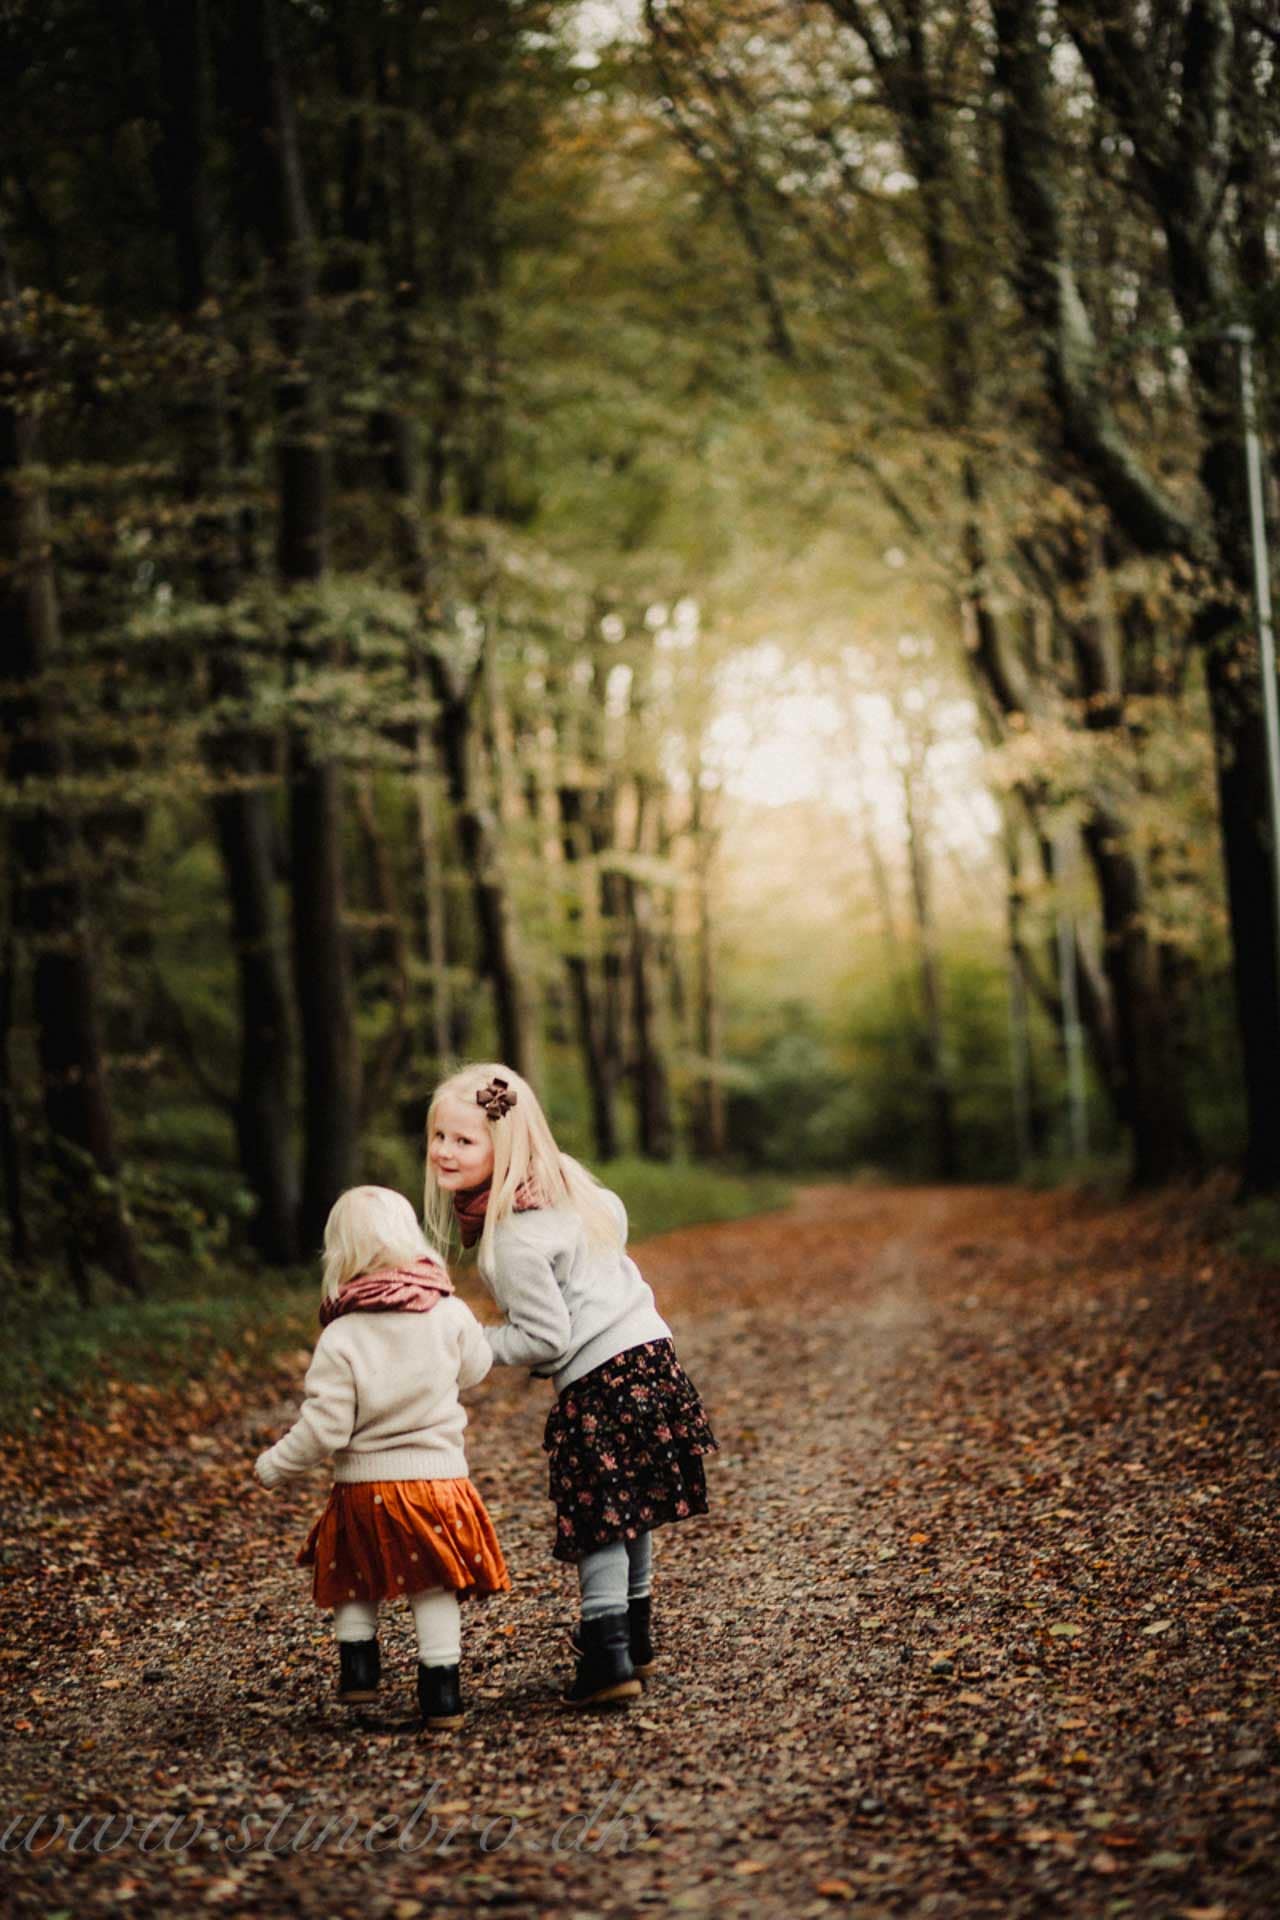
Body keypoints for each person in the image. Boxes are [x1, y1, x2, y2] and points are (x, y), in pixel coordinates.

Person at [424, 1063, 716, 1709]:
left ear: (505, 1148)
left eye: (464, 1141)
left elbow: (547, 1338)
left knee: (602, 1520)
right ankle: (635, 1638)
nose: (445, 1150)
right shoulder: (574, 1190)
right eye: (439, 1137)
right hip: (651, 1356)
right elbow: (614, 1223)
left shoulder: (510, 1239)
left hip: (601, 1379)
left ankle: (607, 1650)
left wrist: (471, 1343)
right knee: (631, 1504)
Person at [253, 1184, 509, 1731]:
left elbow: (325, 1428)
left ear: (340, 1253)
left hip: (364, 1488)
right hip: (438, 1487)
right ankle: (441, 1694)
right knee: (433, 1585)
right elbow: (477, 1369)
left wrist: (277, 1463)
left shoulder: (342, 1334)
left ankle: (359, 1672)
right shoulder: (448, 1313)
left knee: (353, 1575)